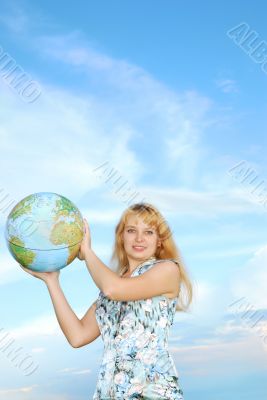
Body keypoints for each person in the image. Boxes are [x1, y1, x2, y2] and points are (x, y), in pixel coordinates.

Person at [20, 202, 193, 399]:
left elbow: (112, 289)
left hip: (152, 392)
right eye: (131, 230)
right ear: (121, 236)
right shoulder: (111, 288)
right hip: (110, 392)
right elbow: (78, 336)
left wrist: (87, 253)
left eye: (149, 232)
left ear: (160, 241)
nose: (139, 238)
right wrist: (52, 281)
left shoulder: (167, 270)